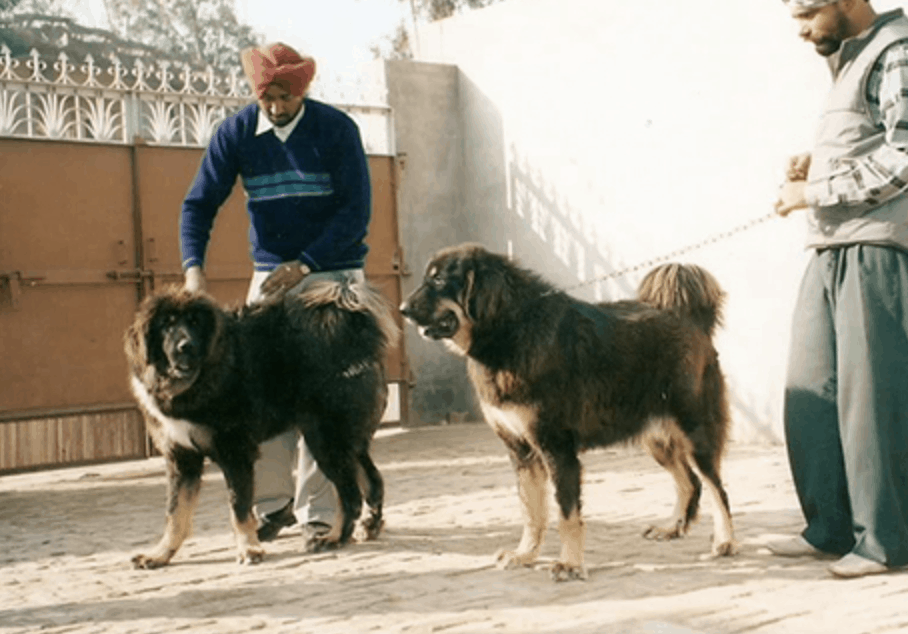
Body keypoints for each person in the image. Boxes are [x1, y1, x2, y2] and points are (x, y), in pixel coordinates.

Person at [180, 42, 373, 548]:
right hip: (269, 278)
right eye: (266, 97)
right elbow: (198, 206)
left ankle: (321, 515)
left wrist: (306, 264)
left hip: (333, 275)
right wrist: (193, 271)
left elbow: (356, 210)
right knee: (258, 391)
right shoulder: (236, 133)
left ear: (302, 90)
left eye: (284, 98)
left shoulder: (335, 130)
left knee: (324, 397)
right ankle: (272, 507)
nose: (275, 107)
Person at [772, 0, 908, 578]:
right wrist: (816, 166)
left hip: (875, 248)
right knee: (813, 391)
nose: (801, 31)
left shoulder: (897, 49)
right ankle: (829, 526)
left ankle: (883, 542)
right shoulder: (852, 57)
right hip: (829, 248)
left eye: (807, 14)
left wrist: (815, 191)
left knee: (869, 401)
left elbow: (905, 156)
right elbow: (868, 142)